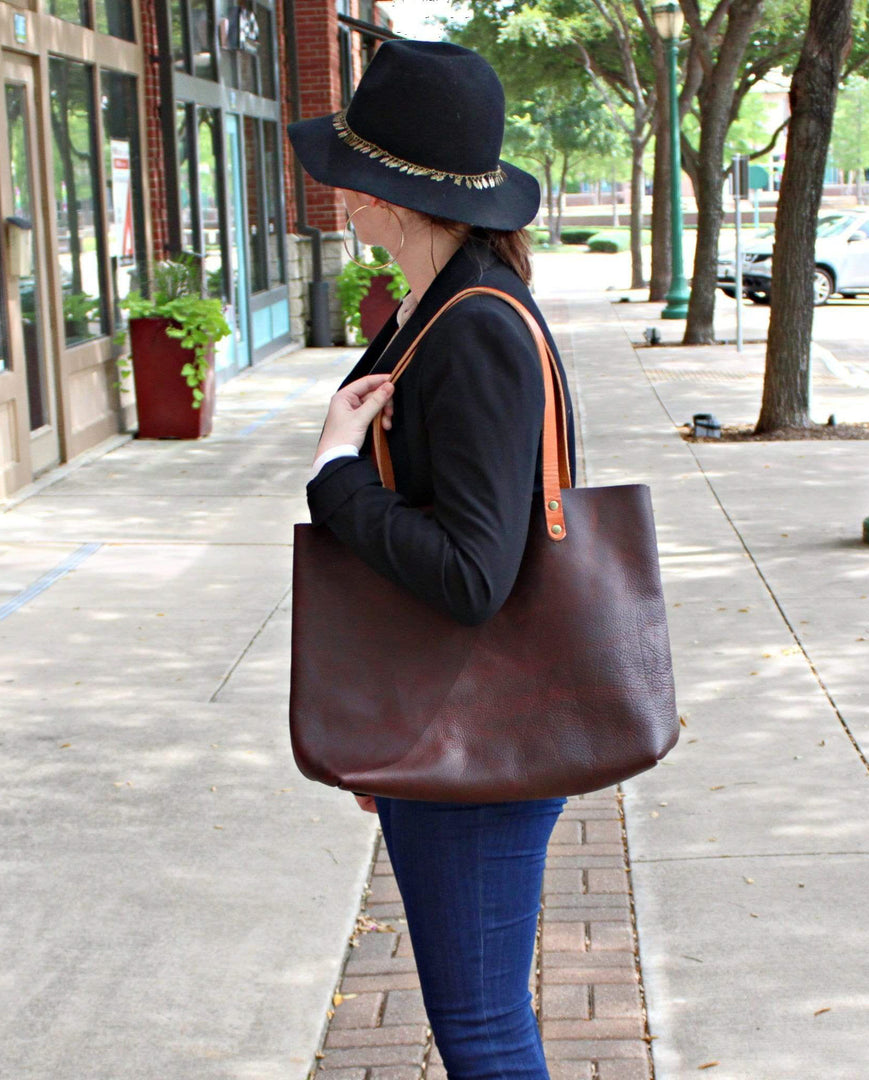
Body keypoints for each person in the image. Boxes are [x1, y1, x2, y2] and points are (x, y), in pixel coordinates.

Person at [288, 39, 576, 1079]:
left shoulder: (475, 330)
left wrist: (333, 475)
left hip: (480, 749)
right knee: (482, 1025)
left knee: (486, 1034)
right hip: (444, 730)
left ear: (386, 196)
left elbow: (471, 573)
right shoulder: (435, 313)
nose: (338, 194)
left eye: (349, 176)